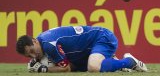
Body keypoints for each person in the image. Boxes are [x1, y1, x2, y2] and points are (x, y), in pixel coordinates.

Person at [16, 26, 148, 73]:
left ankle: (130, 61)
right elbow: (70, 66)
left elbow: (65, 69)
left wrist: (42, 69)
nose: (34, 55)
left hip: (102, 37)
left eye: (32, 50)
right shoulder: (43, 40)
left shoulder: (48, 44)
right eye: (30, 56)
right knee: (76, 66)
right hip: (88, 48)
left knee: (93, 68)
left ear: (34, 40)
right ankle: (112, 62)